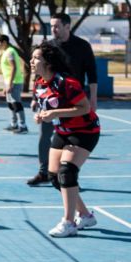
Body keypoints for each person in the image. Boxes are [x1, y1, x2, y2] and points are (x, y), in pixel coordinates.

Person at [31, 42, 100, 237]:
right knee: (55, 178)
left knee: (67, 172)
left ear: (48, 63)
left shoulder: (67, 83)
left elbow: (85, 108)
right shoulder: (39, 83)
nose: (32, 61)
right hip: (62, 131)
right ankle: (85, 215)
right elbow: (48, 107)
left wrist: (54, 113)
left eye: (36, 58)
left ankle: (69, 223)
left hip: (84, 131)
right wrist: (41, 115)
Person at [28, 13, 98, 186]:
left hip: (72, 101)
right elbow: (39, 76)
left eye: (57, 26)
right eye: (51, 26)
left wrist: (93, 98)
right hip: (51, 101)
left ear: (68, 26)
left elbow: (92, 74)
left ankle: (70, 176)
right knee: (45, 136)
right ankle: (44, 171)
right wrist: (35, 98)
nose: (53, 29)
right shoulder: (48, 46)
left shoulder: (81, 46)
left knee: (71, 149)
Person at [0, 35, 28, 134]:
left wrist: (10, 84)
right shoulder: (6, 52)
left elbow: (13, 67)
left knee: (16, 103)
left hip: (15, 82)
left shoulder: (10, 51)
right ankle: (14, 124)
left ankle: (23, 126)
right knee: (11, 104)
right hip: (9, 82)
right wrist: (5, 85)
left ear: (5, 42)